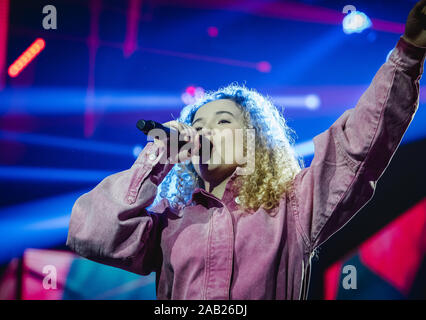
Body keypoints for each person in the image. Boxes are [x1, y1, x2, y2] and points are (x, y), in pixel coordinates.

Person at [66, 1, 426, 300]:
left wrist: (408, 54)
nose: (204, 131)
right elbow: (94, 234)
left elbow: (357, 145)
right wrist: (157, 156)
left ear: (252, 138)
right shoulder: (169, 220)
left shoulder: (294, 206)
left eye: (221, 122)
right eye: (198, 124)